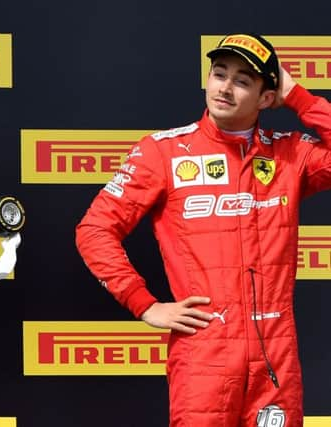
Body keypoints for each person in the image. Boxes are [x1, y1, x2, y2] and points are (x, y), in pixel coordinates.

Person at [75, 33, 331, 427]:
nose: (224, 88)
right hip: (204, 356)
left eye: (243, 81)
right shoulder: (163, 152)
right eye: (219, 74)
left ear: (266, 98)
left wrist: (298, 96)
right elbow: (94, 229)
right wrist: (144, 304)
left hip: (275, 356)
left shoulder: (291, 154)